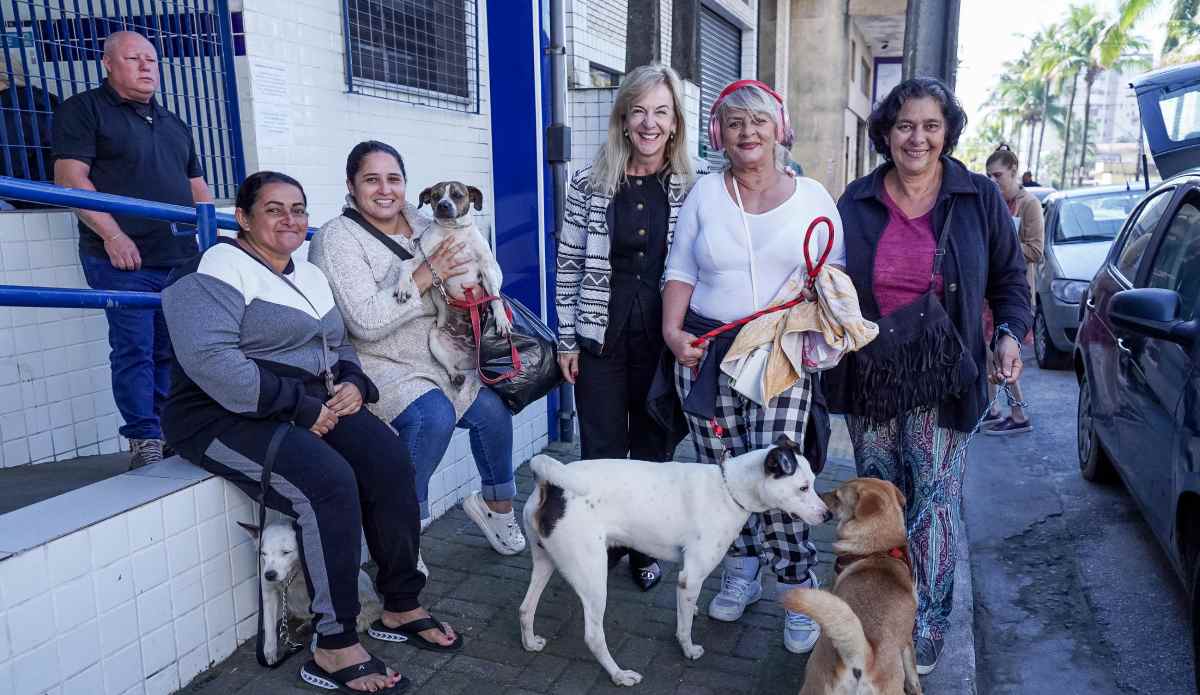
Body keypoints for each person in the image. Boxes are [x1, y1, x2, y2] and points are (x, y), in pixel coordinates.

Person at [162, 171, 461, 694]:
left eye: (298, 209)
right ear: (243, 218)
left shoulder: (306, 271)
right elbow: (214, 366)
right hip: (221, 416)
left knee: (389, 460)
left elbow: (338, 343)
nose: (290, 219)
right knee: (328, 482)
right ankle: (334, 641)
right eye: (274, 209)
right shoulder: (211, 273)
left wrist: (352, 382)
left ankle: (399, 603)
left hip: (305, 403)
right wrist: (300, 408)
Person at [825, 78, 1031, 674]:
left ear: (947, 132)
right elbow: (828, 278)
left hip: (946, 375)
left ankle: (930, 623)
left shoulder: (978, 198)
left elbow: (1011, 281)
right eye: (905, 125)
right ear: (886, 133)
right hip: (873, 373)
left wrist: (1010, 337)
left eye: (930, 126)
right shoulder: (856, 200)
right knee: (878, 502)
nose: (917, 137)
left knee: (934, 505)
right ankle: (877, 615)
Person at [662, 80, 845, 654]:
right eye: (735, 122)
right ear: (720, 134)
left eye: (758, 121)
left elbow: (832, 276)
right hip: (706, 352)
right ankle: (740, 569)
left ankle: (796, 586)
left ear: (778, 129)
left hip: (781, 356)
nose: (748, 133)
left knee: (784, 474)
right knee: (723, 474)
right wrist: (672, 332)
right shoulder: (704, 194)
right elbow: (680, 268)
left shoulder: (813, 195)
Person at [309, 141, 526, 556]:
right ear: (351, 186)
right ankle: (402, 533)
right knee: (433, 417)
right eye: (371, 180)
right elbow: (365, 323)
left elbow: (478, 272)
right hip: (380, 363)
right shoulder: (337, 240)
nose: (385, 189)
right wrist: (427, 276)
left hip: (440, 354)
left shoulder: (428, 223)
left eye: (394, 179)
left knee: (494, 413)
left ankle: (496, 507)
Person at [555, 63, 694, 592]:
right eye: (638, 111)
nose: (649, 123)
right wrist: (565, 339)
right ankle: (603, 543)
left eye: (661, 111)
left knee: (655, 450)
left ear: (675, 121)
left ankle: (644, 546)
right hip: (601, 333)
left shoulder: (693, 183)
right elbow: (568, 262)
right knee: (602, 448)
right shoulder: (589, 182)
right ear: (622, 119)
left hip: (662, 337)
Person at [53, 31, 212, 469]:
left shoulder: (173, 123)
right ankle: (144, 437)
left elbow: (198, 190)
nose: (146, 67)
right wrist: (113, 234)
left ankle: (166, 429)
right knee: (135, 349)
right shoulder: (84, 111)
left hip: (177, 258)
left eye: (151, 60)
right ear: (108, 63)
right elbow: (70, 180)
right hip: (123, 259)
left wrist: (213, 245)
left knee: (170, 349)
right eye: (134, 58)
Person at [983, 145, 1043, 435]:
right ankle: (993, 410)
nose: (993, 181)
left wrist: (1001, 246)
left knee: (1004, 352)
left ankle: (1019, 414)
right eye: (989, 176)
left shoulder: (1028, 204)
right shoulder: (990, 203)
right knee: (987, 352)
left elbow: (1036, 250)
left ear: (1013, 173)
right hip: (986, 293)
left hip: (1012, 294)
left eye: (998, 175)